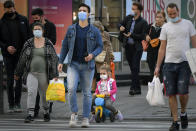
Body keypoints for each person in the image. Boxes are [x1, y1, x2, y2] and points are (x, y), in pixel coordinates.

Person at [58, 3, 103, 128]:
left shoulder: (94, 30)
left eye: (84, 10)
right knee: (71, 89)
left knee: (87, 92)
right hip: (73, 64)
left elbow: (100, 46)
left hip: (88, 66)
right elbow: (65, 46)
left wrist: (92, 55)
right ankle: (74, 113)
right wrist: (61, 61)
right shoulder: (71, 29)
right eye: (80, 10)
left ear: (88, 14)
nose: (81, 12)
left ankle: (85, 117)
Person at [154, 3, 196, 131]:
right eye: (170, 14)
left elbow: (194, 44)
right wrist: (157, 66)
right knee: (171, 93)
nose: (172, 16)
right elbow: (162, 48)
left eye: (174, 13)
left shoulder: (188, 24)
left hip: (184, 63)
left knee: (183, 92)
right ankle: (175, 121)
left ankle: (183, 112)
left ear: (178, 11)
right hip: (169, 64)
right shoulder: (166, 27)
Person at [14, 22, 59, 123]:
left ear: (42, 31)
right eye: (35, 29)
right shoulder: (28, 43)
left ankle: (46, 112)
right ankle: (30, 114)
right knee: (31, 92)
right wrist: (18, 73)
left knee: (44, 95)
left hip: (44, 74)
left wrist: (55, 74)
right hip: (31, 73)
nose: (37, 31)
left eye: (39, 29)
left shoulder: (48, 43)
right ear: (33, 31)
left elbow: (54, 58)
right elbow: (22, 59)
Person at [0, 0, 30, 113]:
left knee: (18, 79)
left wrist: (26, 50)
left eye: (12, 8)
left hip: (20, 54)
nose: (10, 10)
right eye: (8, 8)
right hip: (8, 55)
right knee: (9, 79)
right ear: (4, 9)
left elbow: (28, 36)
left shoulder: (23, 20)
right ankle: (11, 104)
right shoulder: (1, 22)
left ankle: (17, 104)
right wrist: (6, 47)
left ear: (14, 7)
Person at [30, 7, 57, 117]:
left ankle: (48, 106)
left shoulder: (50, 26)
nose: (35, 22)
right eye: (34, 20)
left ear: (42, 16)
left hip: (48, 59)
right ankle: (35, 109)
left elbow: (53, 41)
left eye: (37, 19)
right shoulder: (32, 27)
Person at [119, 2, 148, 95]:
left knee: (135, 67)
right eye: (132, 9)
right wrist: (121, 27)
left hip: (137, 48)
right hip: (128, 46)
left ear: (139, 10)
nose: (133, 10)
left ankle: (132, 88)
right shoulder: (128, 18)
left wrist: (132, 35)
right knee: (133, 68)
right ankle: (138, 88)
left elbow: (143, 36)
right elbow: (119, 23)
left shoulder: (143, 22)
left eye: (134, 9)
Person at [92, 21, 114, 92]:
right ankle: (93, 89)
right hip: (95, 56)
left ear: (99, 27)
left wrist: (111, 54)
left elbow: (109, 44)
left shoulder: (105, 34)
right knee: (94, 73)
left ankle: (107, 87)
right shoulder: (91, 34)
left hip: (104, 56)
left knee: (105, 72)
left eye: (96, 27)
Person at [146, 11, 166, 82]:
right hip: (151, 52)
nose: (158, 19)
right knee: (152, 70)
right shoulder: (151, 26)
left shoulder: (166, 27)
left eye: (160, 17)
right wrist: (146, 36)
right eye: (157, 17)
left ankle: (161, 87)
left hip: (161, 52)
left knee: (160, 70)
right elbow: (144, 33)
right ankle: (154, 85)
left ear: (164, 18)